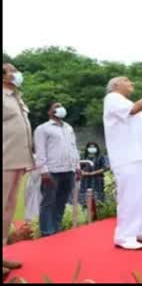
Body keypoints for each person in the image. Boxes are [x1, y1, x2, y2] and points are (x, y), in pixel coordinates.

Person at [103, 76, 142, 250]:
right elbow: (134, 110)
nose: (132, 83)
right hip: (128, 157)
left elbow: (132, 124)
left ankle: (141, 230)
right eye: (127, 81)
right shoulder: (113, 99)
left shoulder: (124, 101)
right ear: (116, 85)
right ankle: (124, 236)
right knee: (131, 196)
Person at [2, 63, 34, 276]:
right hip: (4, 160)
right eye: (11, 70)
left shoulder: (16, 98)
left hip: (17, 160)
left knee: (8, 211)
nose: (16, 73)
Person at [33, 102, 81, 236]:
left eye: (61, 106)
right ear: (49, 112)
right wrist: (43, 171)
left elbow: (74, 147)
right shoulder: (43, 129)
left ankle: (57, 229)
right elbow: (40, 151)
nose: (60, 108)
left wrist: (77, 167)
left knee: (61, 201)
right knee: (48, 202)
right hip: (52, 171)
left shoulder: (68, 127)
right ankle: (47, 232)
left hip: (69, 170)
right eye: (56, 107)